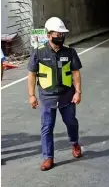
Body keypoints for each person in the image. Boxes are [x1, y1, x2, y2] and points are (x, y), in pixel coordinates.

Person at [27, 17, 83, 171]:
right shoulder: (38, 52)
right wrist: (32, 95)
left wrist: (78, 92)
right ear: (48, 34)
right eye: (57, 34)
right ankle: (48, 157)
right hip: (47, 97)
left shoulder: (70, 52)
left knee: (71, 122)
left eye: (62, 34)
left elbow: (76, 73)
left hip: (67, 95)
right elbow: (32, 74)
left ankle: (75, 143)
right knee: (47, 127)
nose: (60, 37)